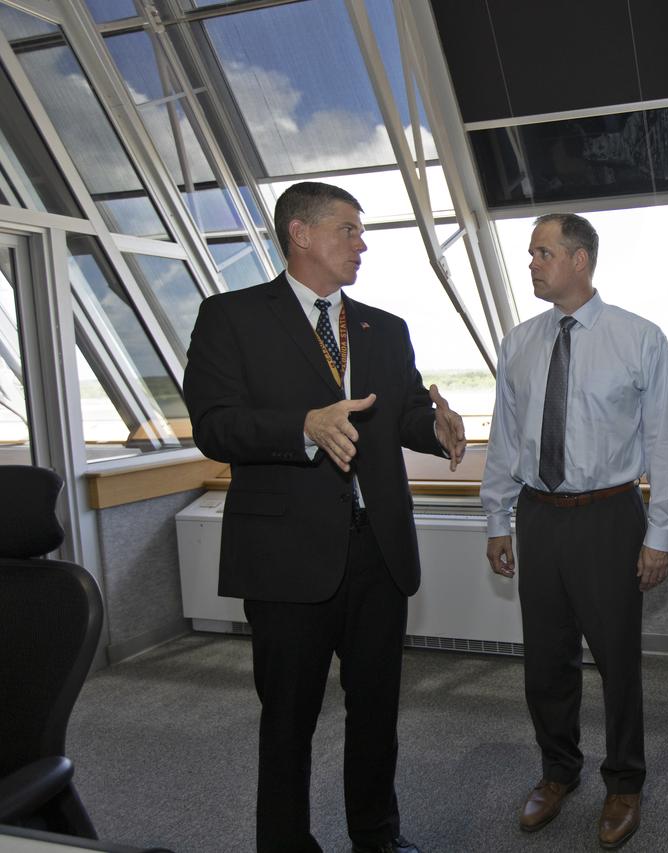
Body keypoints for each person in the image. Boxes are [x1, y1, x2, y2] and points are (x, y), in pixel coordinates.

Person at [184, 181, 466, 853]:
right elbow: (214, 426)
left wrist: (438, 427)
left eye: (361, 232)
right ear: (300, 234)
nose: (361, 244)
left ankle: (377, 834)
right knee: (288, 719)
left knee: (376, 712)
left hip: (377, 552)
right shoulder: (231, 318)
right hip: (286, 558)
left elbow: (399, 413)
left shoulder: (384, 328)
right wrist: (303, 427)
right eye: (349, 230)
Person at [480, 213, 668, 850]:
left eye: (542, 252)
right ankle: (557, 770)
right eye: (531, 253)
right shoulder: (519, 341)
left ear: (580, 260)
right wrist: (497, 517)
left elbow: (664, 445)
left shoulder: (639, 339)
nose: (532, 263)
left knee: (618, 660)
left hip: (610, 516)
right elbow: (505, 439)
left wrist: (661, 533)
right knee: (545, 659)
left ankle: (623, 782)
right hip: (540, 515)